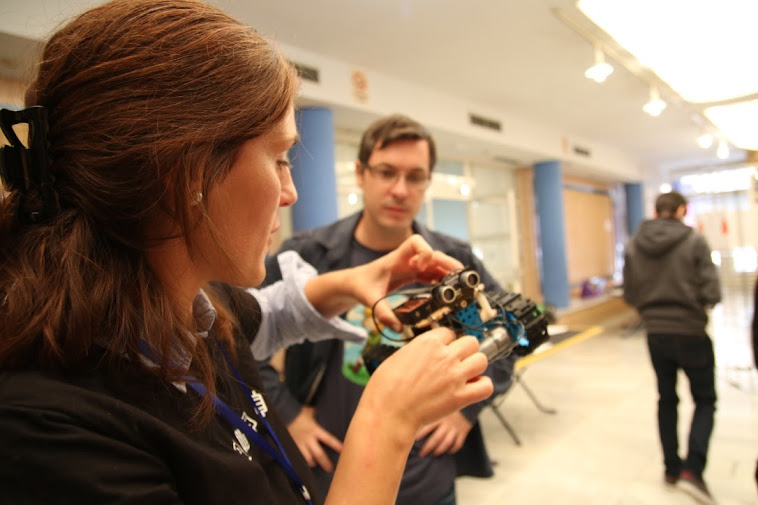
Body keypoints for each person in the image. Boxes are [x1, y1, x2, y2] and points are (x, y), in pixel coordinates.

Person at [0, 2, 495, 504]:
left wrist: (348, 283)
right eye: (279, 158)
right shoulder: (50, 435)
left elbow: (265, 317)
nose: (291, 192)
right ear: (186, 175)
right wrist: (387, 420)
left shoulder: (187, 311)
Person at [259, 114, 516, 505]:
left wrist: (466, 412)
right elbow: (239, 333)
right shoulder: (306, 254)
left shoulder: (455, 259)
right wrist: (288, 415)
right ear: (360, 174)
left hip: (428, 479)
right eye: (386, 172)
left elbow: (509, 327)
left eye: (415, 177)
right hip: (330, 472)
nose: (400, 190)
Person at [623, 191, 721, 504]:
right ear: (682, 210)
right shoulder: (695, 241)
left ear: (656, 211)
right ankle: (693, 470)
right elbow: (712, 292)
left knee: (667, 399)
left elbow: (630, 294)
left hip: (656, 333)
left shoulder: (635, 244)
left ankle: (671, 468)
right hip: (691, 331)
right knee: (705, 400)